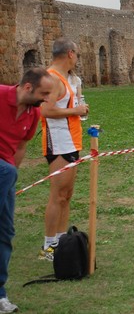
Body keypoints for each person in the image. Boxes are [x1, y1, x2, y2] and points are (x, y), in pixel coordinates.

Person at [0, 68, 53, 313]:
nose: (47, 98)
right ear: (28, 87)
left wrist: (11, 177)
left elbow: (20, 147)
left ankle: (0, 295)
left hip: (5, 174)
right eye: (44, 93)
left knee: (6, 231)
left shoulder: (33, 115)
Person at [39, 38, 89, 261]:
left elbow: (67, 106)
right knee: (57, 195)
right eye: (76, 54)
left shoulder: (68, 79)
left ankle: (61, 241)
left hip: (71, 140)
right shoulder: (51, 78)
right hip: (58, 142)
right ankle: (48, 246)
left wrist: (78, 109)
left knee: (67, 195)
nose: (77, 58)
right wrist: (75, 111)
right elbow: (45, 111)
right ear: (70, 54)